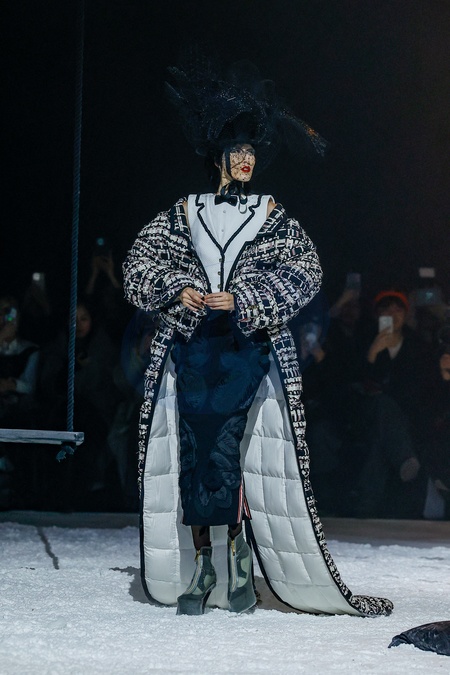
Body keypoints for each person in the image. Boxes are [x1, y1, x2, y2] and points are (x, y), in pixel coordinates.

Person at [123, 54, 392, 617]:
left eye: (251, 151)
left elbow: (305, 269)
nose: (246, 160)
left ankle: (238, 556)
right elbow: (139, 264)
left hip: (247, 347)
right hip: (194, 349)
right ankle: (205, 564)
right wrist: (178, 288)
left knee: (236, 451)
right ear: (219, 156)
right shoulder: (186, 211)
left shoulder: (271, 213)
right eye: (237, 151)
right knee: (196, 455)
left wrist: (245, 297)